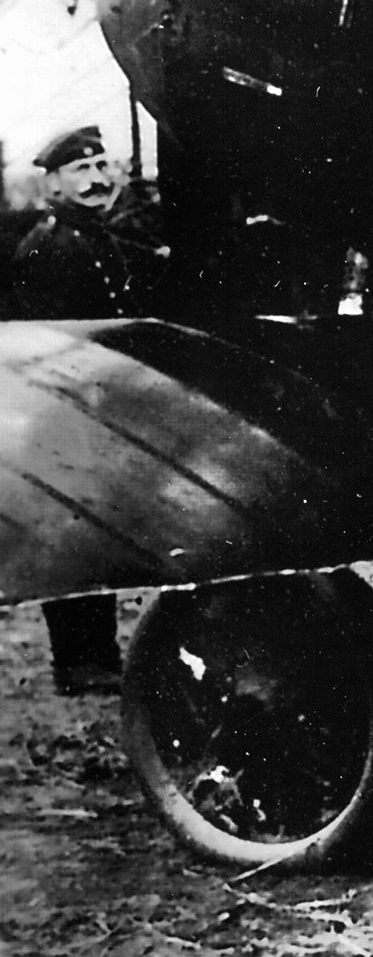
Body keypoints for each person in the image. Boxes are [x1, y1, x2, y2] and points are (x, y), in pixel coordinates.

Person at [9, 126, 169, 694]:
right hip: (62, 412)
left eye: (103, 165)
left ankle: (94, 656)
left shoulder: (96, 238)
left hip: (96, 410)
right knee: (69, 535)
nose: (98, 178)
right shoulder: (49, 245)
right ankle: (78, 661)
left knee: (93, 533)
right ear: (51, 181)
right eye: (81, 170)